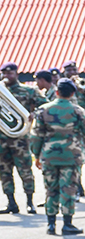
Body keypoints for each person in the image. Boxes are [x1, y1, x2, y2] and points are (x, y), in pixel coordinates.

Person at [29, 78, 85, 235]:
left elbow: (36, 136)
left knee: (51, 190)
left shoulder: (43, 110)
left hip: (49, 156)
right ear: (72, 94)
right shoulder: (78, 111)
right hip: (71, 156)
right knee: (68, 189)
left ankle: (50, 225)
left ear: (56, 92)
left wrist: (36, 155)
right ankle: (67, 224)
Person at [0, 61, 44, 213]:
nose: (6, 76)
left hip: (20, 139)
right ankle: (11, 203)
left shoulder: (28, 91)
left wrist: (34, 114)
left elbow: (44, 106)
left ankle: (30, 202)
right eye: (4, 73)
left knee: (25, 171)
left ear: (16, 74)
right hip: (1, 139)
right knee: (4, 172)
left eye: (9, 73)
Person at [62, 59, 85, 196]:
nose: (72, 73)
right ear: (64, 72)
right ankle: (79, 187)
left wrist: (82, 91)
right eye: (69, 70)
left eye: (74, 70)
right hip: (72, 127)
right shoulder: (62, 87)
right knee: (76, 158)